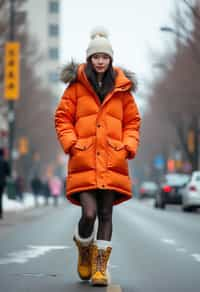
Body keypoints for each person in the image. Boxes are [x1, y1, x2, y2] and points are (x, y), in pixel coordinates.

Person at [55, 27, 141, 286]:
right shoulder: (76, 87)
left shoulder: (123, 89)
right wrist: (72, 143)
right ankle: (84, 248)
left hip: (112, 161)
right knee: (89, 213)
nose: (100, 61)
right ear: (89, 58)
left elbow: (133, 122)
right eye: (96, 57)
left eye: (105, 56)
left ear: (111, 58)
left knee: (106, 214)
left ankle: (100, 267)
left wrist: (127, 146)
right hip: (84, 160)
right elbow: (62, 118)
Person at [0, 148, 10, 219]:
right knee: (0, 198)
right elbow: (8, 173)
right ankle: (0, 213)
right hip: (2, 183)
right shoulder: (5, 162)